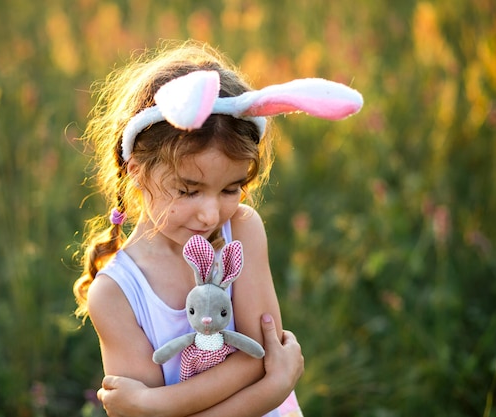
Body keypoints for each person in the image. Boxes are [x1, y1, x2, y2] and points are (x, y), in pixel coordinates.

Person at [72, 40, 363, 417]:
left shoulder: (241, 231)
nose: (211, 215)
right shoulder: (116, 294)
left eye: (231, 189)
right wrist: (273, 388)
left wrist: (152, 403)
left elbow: (262, 354)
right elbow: (265, 368)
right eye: (188, 190)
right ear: (137, 172)